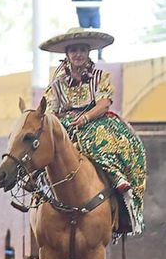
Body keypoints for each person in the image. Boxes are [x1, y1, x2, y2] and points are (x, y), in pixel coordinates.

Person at [39, 28, 147, 234]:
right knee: (45, 147)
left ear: (88, 52)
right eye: (73, 50)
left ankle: (117, 181)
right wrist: (60, 124)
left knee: (102, 140)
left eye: (82, 49)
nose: (77, 54)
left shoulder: (100, 76)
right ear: (67, 54)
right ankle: (39, 185)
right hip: (65, 124)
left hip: (95, 120)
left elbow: (105, 103)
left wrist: (85, 118)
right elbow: (51, 110)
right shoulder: (56, 84)